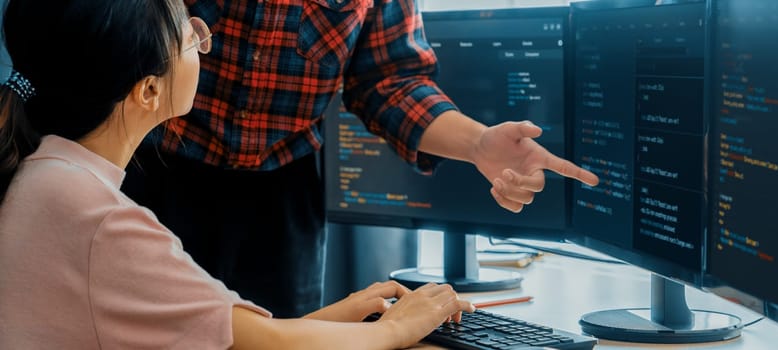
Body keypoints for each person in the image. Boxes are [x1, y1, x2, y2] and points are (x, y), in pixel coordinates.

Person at [0, 0, 473, 348]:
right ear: (148, 90)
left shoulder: (49, 179)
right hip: (175, 173)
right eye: (191, 35)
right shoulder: (106, 223)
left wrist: (345, 315)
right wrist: (396, 329)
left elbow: (225, 334)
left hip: (279, 185)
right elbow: (256, 341)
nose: (204, 43)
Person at [123, 0, 601, 318]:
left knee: (281, 334)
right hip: (152, 163)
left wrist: (478, 145)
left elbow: (390, 81)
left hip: (281, 193)